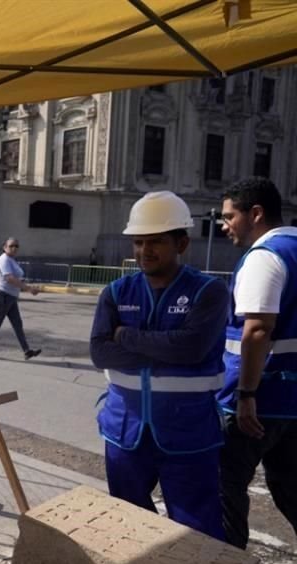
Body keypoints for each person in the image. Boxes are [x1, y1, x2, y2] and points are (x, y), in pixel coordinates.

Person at [90, 191, 229, 540]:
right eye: (138, 242)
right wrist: (166, 345)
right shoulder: (116, 292)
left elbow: (192, 349)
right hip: (125, 431)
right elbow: (99, 354)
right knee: (128, 526)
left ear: (181, 243)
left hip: (189, 434)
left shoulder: (208, 292)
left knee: (196, 531)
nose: (144, 251)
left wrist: (125, 336)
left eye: (155, 242)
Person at [215, 177, 297, 550]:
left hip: (257, 401)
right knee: (288, 485)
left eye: (230, 216)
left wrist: (246, 394)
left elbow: (257, 331)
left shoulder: (266, 256)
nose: (224, 224)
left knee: (224, 482)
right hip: (291, 401)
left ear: (256, 214)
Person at [0, 237, 42, 360]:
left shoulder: (11, 260)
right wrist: (28, 288)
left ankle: (27, 351)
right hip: (3, 295)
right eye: (11, 246)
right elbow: (9, 279)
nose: (14, 248)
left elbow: (16, 278)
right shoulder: (4, 260)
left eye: (16, 246)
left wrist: (27, 286)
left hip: (11, 296)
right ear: (5, 247)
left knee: (17, 324)